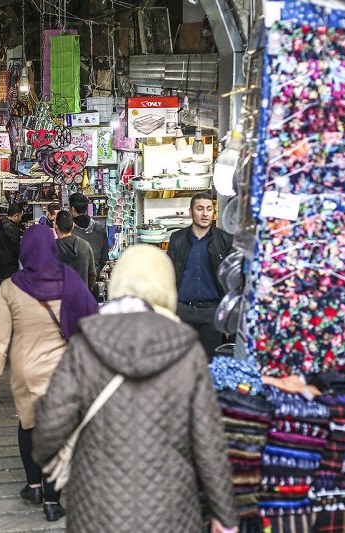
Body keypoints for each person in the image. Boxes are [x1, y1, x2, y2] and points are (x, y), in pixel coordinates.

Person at [32, 244, 237, 532]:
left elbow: (47, 436)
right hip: (171, 510)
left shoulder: (85, 344)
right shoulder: (186, 348)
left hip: (97, 509)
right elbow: (209, 443)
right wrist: (224, 516)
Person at [0, 224, 98, 522]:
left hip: (24, 369)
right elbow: (91, 321)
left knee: (29, 425)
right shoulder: (69, 280)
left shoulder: (10, 287)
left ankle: (33, 486)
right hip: (62, 370)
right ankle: (52, 501)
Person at [167, 192, 232, 357]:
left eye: (209, 209)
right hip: (183, 311)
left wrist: (227, 319)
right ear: (191, 212)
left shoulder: (225, 240)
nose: (205, 214)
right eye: (200, 209)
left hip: (211, 312)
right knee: (180, 360)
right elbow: (170, 275)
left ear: (214, 212)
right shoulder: (177, 239)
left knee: (209, 363)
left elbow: (230, 282)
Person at [55, 210, 96, 290]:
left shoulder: (50, 248)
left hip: (59, 299)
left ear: (56, 226)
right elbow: (92, 274)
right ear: (73, 226)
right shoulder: (85, 245)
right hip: (81, 297)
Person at [69, 192, 109, 275]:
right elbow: (104, 258)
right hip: (94, 276)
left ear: (72, 209)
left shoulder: (69, 230)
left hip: (74, 279)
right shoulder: (100, 228)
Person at [0, 203, 24, 286]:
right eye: (20, 217)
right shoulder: (11, 229)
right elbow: (17, 249)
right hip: (8, 267)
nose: (21, 219)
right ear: (16, 216)